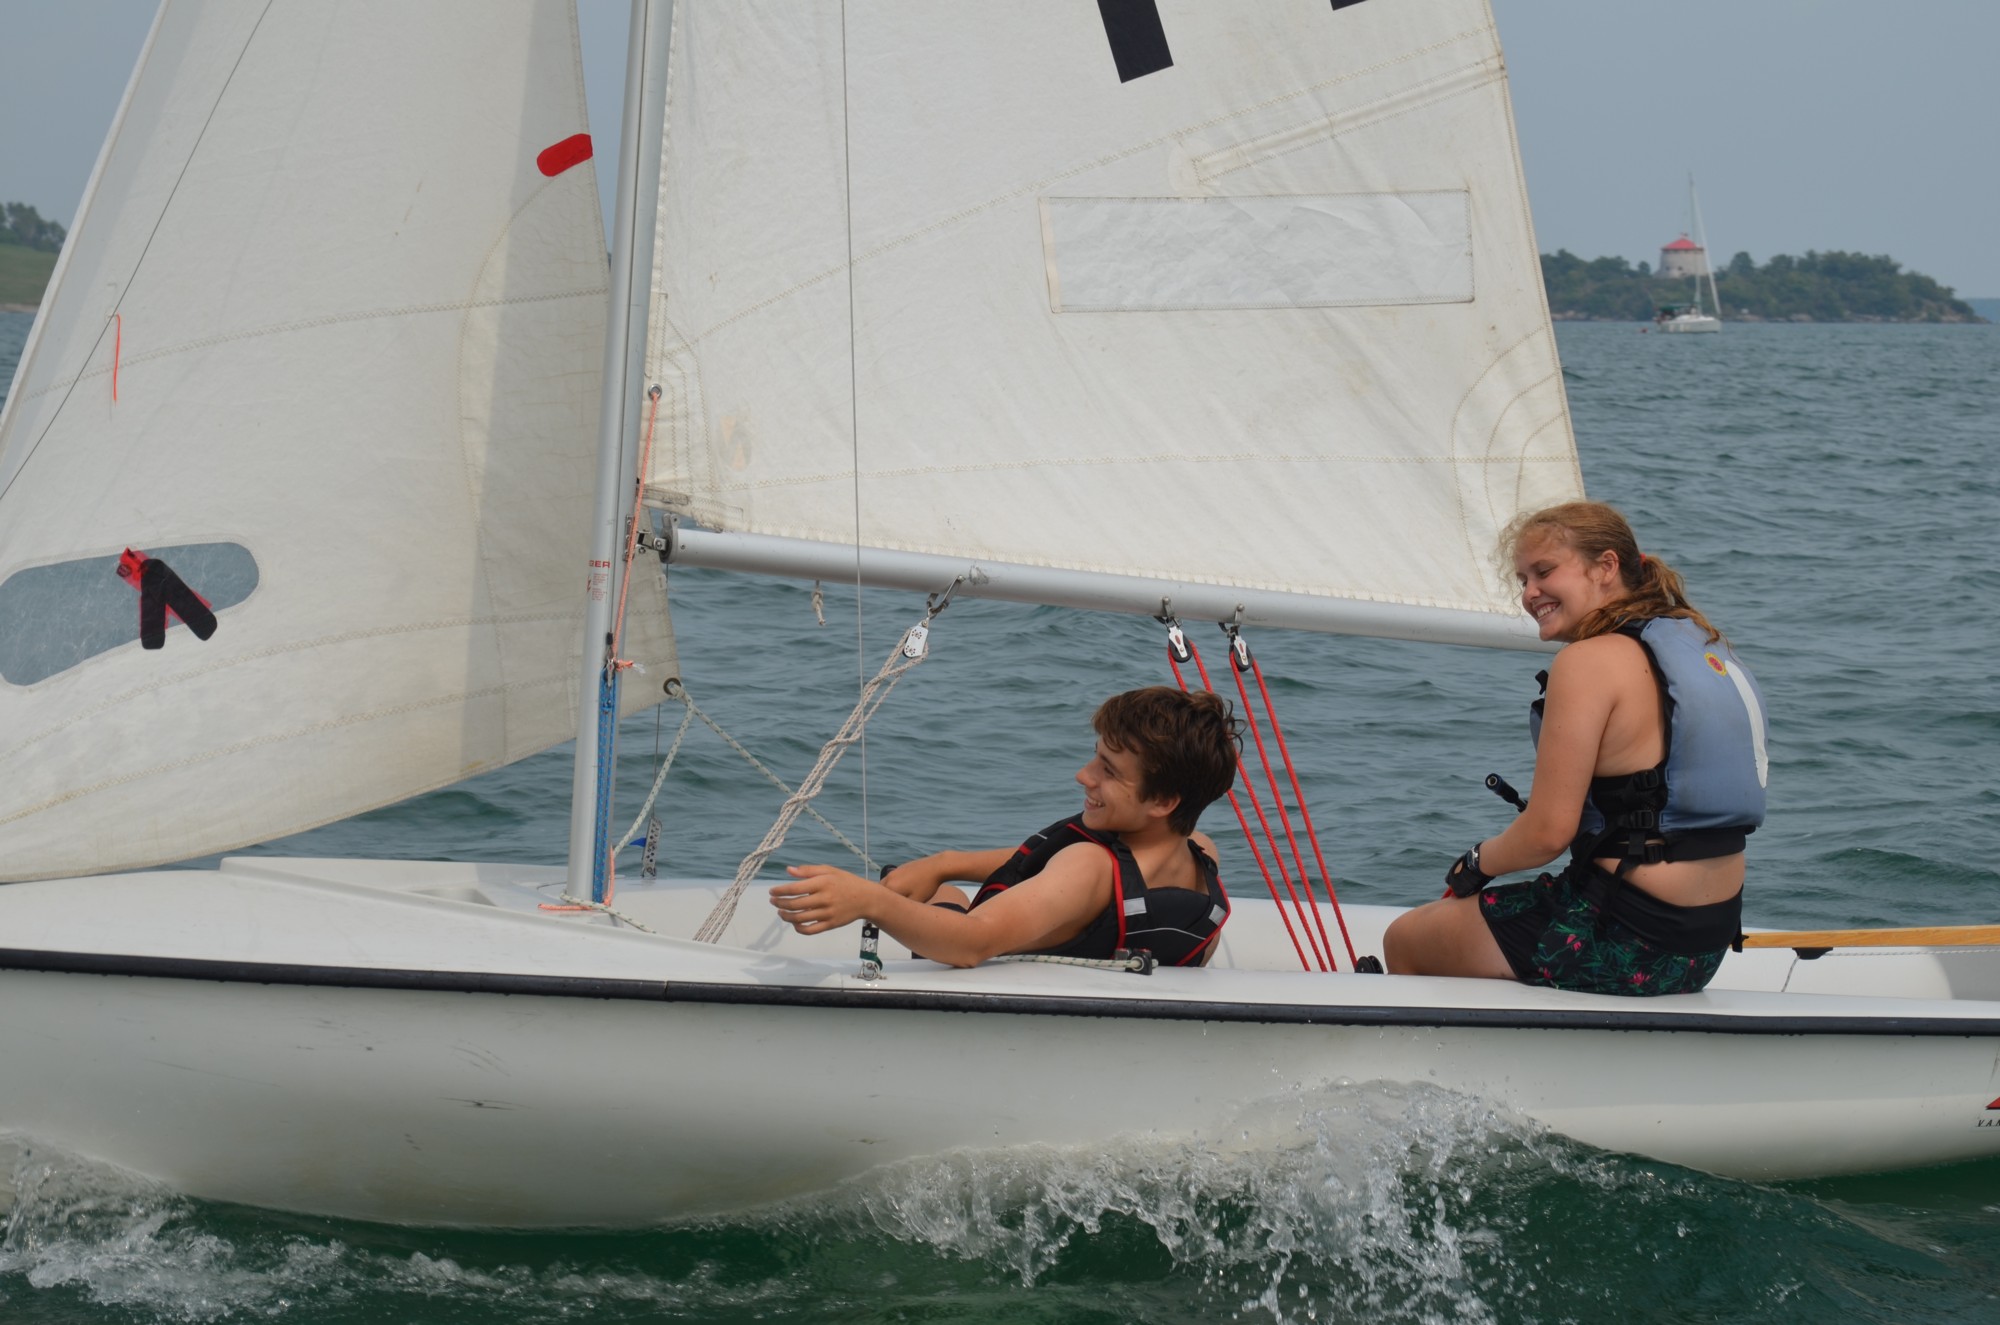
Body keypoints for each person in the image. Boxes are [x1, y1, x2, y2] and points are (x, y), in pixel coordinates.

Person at [1382, 501, 1767, 995]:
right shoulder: (1703, 643)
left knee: (1410, 938)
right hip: (1704, 943)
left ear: (1606, 566)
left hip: (1625, 939)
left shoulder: (1587, 662)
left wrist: (1476, 863)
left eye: (1544, 572)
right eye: (1522, 579)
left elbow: (1547, 834)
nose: (1530, 593)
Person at [769, 687, 1241, 969]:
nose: (1085, 776)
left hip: (958, 957)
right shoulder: (1202, 857)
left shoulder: (1087, 869)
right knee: (943, 885)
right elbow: (1054, 870)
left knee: (939, 900)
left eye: (1109, 771)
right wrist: (945, 863)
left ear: (1162, 801)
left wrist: (870, 901)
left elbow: (972, 944)